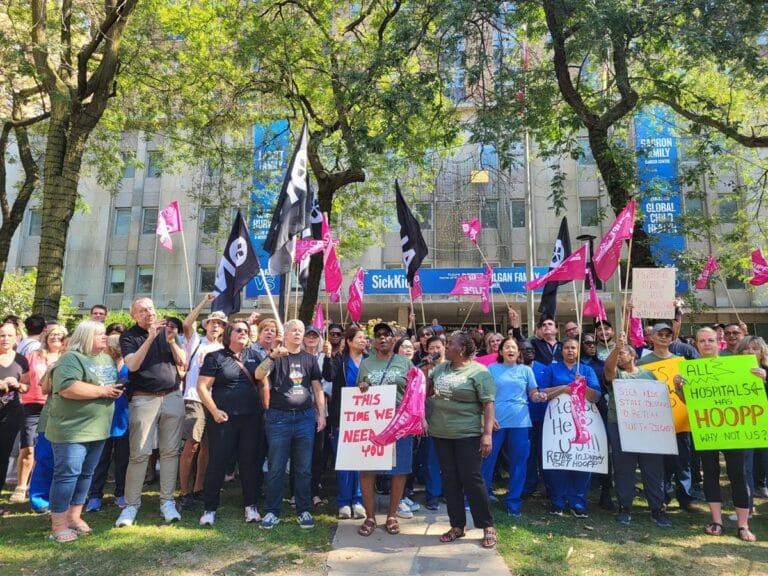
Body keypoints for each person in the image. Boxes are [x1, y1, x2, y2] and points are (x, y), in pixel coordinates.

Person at [674, 327, 755, 542]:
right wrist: (679, 389)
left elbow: (751, 393)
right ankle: (716, 520)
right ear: (697, 344)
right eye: (702, 341)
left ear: (718, 342)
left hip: (734, 428)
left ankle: (743, 525)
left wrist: (762, 376)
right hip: (706, 429)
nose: (707, 344)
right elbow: (689, 402)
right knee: (710, 473)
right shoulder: (690, 370)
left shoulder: (736, 364)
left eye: (710, 340)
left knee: (738, 475)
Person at [45, 321, 123, 542]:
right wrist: (103, 391)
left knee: (86, 474)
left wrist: (112, 391)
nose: (104, 337)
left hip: (97, 429)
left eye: (104, 333)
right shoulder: (72, 358)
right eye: (99, 334)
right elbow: (67, 387)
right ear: (86, 336)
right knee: (67, 475)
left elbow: (107, 385)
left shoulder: (106, 358)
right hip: (71, 430)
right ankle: (58, 524)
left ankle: (74, 517)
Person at [115, 298, 186, 527]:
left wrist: (171, 341)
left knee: (170, 452)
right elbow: (133, 365)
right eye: (143, 311)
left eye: (151, 309)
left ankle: (167, 501)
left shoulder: (167, 332)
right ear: (134, 315)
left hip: (172, 396)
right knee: (139, 453)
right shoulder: (129, 336)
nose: (149, 314)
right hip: (144, 398)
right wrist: (151, 338)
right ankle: (131, 505)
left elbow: (183, 362)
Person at [427, 331, 496, 548]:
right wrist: (424, 370)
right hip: (441, 434)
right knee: (450, 480)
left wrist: (487, 434)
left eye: (449, 344)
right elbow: (425, 391)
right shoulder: (440, 368)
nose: (444, 347)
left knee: (472, 480)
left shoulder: (479, 372)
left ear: (462, 349)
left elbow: (488, 404)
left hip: (468, 434)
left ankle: (487, 526)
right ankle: (457, 525)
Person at [255, 319, 326, 530]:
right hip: (279, 418)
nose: (297, 333)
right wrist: (271, 357)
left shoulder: (310, 359)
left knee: (304, 468)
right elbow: (258, 375)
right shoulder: (276, 356)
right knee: (276, 467)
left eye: (300, 330)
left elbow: (317, 388)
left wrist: (321, 414)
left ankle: (303, 510)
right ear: (285, 333)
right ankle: (272, 511)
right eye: (293, 330)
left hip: (305, 417)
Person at [197, 320, 263, 526]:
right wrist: (214, 411)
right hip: (224, 419)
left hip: (251, 418)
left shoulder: (254, 356)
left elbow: (262, 381)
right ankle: (209, 508)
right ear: (228, 334)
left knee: (249, 462)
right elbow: (202, 387)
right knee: (217, 462)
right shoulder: (215, 357)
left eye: (246, 330)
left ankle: (251, 506)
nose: (243, 333)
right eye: (238, 330)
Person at [603, 333, 671, 527]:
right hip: (620, 426)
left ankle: (657, 508)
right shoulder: (616, 373)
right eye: (618, 354)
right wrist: (617, 348)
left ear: (633, 355)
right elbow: (608, 367)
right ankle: (625, 507)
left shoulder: (648, 374)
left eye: (623, 353)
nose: (619, 357)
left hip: (648, 428)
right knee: (624, 468)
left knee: (653, 468)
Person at [354, 322, 413, 536]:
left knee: (398, 470)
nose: (382, 338)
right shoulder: (366, 364)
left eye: (387, 335)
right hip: (372, 422)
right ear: (374, 341)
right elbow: (358, 390)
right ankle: (370, 517)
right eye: (378, 335)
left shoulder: (405, 363)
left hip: (399, 422)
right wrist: (361, 388)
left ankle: (391, 515)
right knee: (367, 468)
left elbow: (413, 392)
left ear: (394, 339)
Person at [637, 322, 702, 513]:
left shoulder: (682, 362)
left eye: (668, 335)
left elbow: (691, 391)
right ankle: (662, 498)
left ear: (672, 338)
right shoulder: (642, 363)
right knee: (660, 463)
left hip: (680, 419)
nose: (664, 337)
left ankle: (686, 498)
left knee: (683, 462)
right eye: (660, 334)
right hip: (655, 421)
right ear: (652, 337)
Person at [481, 337, 547, 517]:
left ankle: (513, 503)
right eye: (507, 347)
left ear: (518, 353)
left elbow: (532, 393)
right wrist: (488, 418)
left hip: (520, 422)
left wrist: (538, 397)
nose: (510, 349)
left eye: (514, 347)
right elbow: (485, 396)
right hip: (496, 422)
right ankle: (481, 497)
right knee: (487, 460)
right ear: (500, 352)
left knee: (519, 463)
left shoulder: (526, 370)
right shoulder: (492, 369)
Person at [541, 337, 601, 517]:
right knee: (558, 459)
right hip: (557, 422)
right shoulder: (552, 369)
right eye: (566, 347)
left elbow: (596, 396)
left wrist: (582, 384)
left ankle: (577, 501)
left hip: (582, 422)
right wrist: (564, 388)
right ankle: (557, 501)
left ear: (578, 351)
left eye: (573, 348)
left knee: (580, 459)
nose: (570, 351)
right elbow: (542, 392)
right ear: (562, 350)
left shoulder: (586, 370)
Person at [178, 296, 226, 511]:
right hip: (194, 398)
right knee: (192, 445)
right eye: (212, 322)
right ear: (206, 325)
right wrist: (203, 303)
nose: (215, 326)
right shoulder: (196, 342)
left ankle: (198, 489)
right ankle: (184, 492)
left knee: (208, 447)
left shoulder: (224, 350)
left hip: (215, 402)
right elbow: (186, 325)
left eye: (220, 324)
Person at [11, 324, 66, 505]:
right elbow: (22, 378)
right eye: (52, 335)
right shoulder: (33, 355)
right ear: (45, 336)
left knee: (50, 450)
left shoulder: (67, 357)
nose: (55, 338)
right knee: (28, 447)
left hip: (57, 406)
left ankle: (45, 488)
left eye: (59, 335)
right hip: (32, 404)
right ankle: (21, 485)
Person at [323, 325, 368, 520]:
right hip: (342, 418)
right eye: (359, 337)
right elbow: (328, 376)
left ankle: (358, 500)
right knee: (344, 462)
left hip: (365, 419)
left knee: (360, 463)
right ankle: (343, 502)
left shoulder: (370, 361)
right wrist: (328, 356)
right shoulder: (340, 360)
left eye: (365, 337)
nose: (363, 340)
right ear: (349, 341)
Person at [86, 333, 130, 511]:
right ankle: (95, 495)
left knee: (122, 460)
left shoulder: (129, 367)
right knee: (99, 460)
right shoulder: (101, 367)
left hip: (123, 420)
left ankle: (121, 493)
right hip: (102, 420)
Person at [736, 336, 768, 519]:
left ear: (762, 351)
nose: (749, 352)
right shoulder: (732, 373)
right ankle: (747, 509)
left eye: (754, 348)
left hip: (765, 427)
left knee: (763, 465)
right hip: (745, 427)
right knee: (745, 467)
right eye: (746, 349)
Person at [0, 321, 29, 515]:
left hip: (11, 413)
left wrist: (17, 385)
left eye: (9, 335)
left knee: (2, 457)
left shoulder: (21, 360)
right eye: (2, 335)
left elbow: (27, 387)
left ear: (16, 338)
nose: (5, 339)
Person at [521, 340, 551, 498]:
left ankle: (548, 486)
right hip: (523, 420)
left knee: (544, 453)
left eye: (531, 349)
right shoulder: (515, 370)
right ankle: (529, 485)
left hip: (543, 418)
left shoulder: (544, 369)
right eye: (525, 349)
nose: (529, 352)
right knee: (528, 454)